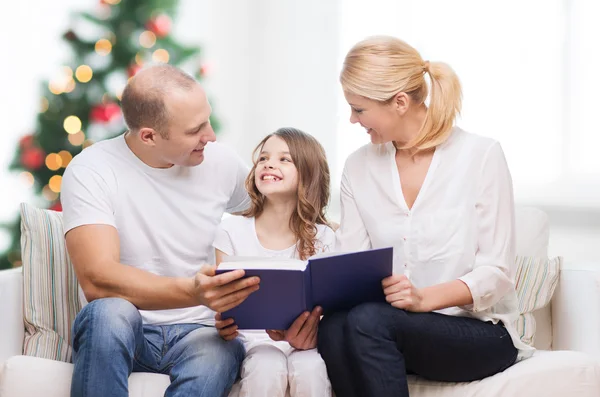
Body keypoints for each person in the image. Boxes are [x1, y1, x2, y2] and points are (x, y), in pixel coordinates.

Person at [318, 36, 533, 397]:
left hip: (479, 332)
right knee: (334, 327)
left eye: (359, 109)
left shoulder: (479, 155)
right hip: (390, 329)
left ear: (399, 102)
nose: (353, 120)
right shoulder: (358, 167)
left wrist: (423, 299)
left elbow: (496, 273)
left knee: (368, 321)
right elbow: (351, 264)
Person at [61, 64, 260, 397]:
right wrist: (194, 292)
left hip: (203, 331)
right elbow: (97, 279)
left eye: (207, 120)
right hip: (130, 329)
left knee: (218, 349)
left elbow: (280, 217)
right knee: (108, 313)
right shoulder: (92, 169)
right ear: (149, 136)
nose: (210, 136)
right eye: (195, 130)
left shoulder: (221, 161)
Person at [213, 128, 334, 397]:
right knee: (266, 365)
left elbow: (331, 308)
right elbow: (224, 302)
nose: (269, 164)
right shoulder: (231, 232)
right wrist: (222, 321)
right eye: (264, 158)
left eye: (284, 159)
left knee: (311, 367)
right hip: (252, 342)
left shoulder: (326, 237)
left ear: (308, 173)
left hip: (306, 344)